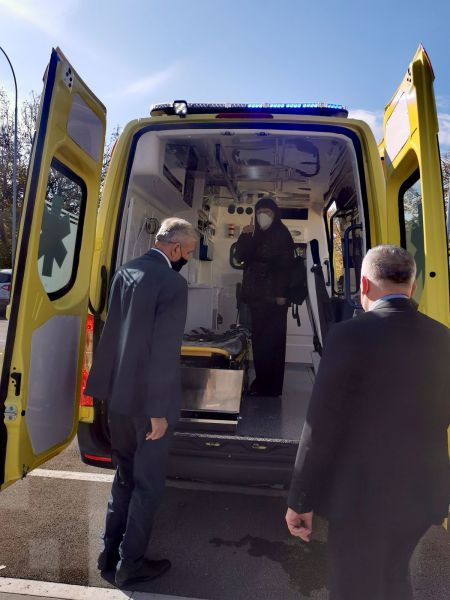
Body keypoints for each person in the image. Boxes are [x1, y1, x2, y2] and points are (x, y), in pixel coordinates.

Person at [285, 245, 449, 600]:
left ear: (363, 285)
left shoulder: (347, 335)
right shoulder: (443, 337)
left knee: (352, 586)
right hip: (422, 493)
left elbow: (320, 425)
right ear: (412, 286)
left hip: (359, 497)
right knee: (394, 575)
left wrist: (300, 499)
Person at [85, 217, 198, 588]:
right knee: (147, 487)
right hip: (148, 406)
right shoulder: (172, 283)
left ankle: (108, 554)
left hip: (117, 400)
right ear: (176, 248)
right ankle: (130, 565)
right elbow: (163, 352)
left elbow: (112, 333)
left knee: (124, 477)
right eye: (188, 253)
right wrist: (158, 412)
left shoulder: (126, 272)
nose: (187, 259)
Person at [235, 196, 294, 397]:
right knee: (260, 342)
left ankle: (270, 386)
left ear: (275, 214)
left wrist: (281, 294)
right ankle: (262, 383)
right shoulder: (254, 234)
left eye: (267, 212)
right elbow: (240, 256)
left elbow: (286, 267)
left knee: (272, 343)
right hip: (257, 297)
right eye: (259, 212)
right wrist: (244, 235)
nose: (263, 216)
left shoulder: (281, 234)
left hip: (274, 299)